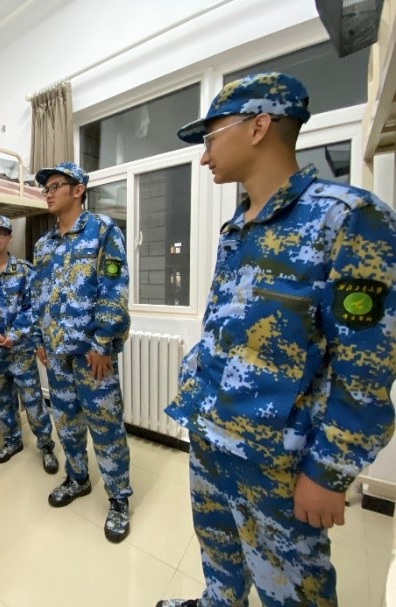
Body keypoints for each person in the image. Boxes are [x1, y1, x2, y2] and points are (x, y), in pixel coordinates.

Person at [157, 72, 396, 607]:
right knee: (220, 558)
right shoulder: (239, 227)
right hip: (212, 436)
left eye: (210, 138)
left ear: (259, 126)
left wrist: (328, 472)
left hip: (277, 463)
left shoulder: (347, 219)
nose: (204, 156)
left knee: (290, 591)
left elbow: (368, 366)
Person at [31, 162, 133, 543]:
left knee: (106, 427)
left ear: (78, 190)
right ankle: (77, 478)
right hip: (57, 353)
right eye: (45, 188)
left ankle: (119, 498)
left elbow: (114, 288)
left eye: (55, 186)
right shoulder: (43, 245)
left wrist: (103, 343)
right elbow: (39, 295)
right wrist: (40, 338)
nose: (48, 193)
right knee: (67, 422)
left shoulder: (103, 231)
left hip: (93, 356)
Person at [0, 214, 59, 473]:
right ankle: (12, 441)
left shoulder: (25, 271)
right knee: (3, 398)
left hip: (20, 350)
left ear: (9, 238)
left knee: (32, 400)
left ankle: (46, 446)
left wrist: (15, 334)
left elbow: (33, 307)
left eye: (0, 233)